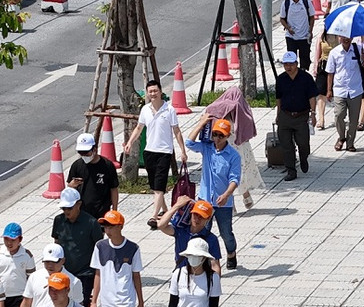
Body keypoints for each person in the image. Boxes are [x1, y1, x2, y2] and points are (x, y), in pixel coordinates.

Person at [123, 80, 187, 228]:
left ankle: (154, 216)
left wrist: (182, 151)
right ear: (147, 93)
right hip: (149, 152)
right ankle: (165, 211)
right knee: (155, 187)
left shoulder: (169, 110)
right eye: (150, 91)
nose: (153, 94)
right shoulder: (145, 109)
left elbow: (176, 131)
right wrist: (130, 143)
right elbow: (139, 128)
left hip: (164, 152)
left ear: (160, 92)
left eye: (155, 91)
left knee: (159, 188)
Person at [185, 116, 242, 270]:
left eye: (221, 135)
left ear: (228, 136)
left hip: (223, 201)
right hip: (205, 200)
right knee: (202, 230)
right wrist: (201, 123)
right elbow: (189, 143)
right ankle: (202, 258)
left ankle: (231, 253)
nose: (217, 138)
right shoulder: (207, 148)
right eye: (215, 134)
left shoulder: (233, 156)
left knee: (226, 233)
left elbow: (235, 179)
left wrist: (226, 195)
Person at [203, 86, 263, 210]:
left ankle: (236, 202)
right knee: (237, 174)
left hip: (227, 149)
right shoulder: (241, 112)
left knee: (229, 175)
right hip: (239, 148)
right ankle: (242, 199)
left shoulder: (221, 112)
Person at [52, 187, 104, 306]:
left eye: (69, 208)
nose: (66, 211)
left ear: (79, 204)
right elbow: (57, 243)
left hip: (85, 274)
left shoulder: (91, 223)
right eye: (64, 208)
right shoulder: (59, 220)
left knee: (81, 306)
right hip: (64, 271)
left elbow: (99, 249)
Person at [274, 51, 318, 180]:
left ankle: (304, 158)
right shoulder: (281, 79)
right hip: (285, 115)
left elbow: (312, 97)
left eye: (291, 64)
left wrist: (313, 113)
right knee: (286, 145)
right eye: (286, 64)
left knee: (303, 143)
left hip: (301, 116)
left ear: (296, 64)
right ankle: (291, 170)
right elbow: (279, 98)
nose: (288, 67)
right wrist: (278, 114)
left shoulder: (306, 78)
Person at [325, 35, 364, 153]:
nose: (346, 39)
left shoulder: (359, 49)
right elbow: (330, 72)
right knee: (339, 115)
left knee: (354, 120)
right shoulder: (334, 52)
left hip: (355, 90)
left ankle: (350, 143)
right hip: (340, 90)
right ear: (339, 38)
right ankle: (341, 137)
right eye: (343, 37)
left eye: (348, 37)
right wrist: (329, 90)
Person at [158, 196, 222, 266]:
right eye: (195, 215)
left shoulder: (211, 239)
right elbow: (161, 225)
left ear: (208, 218)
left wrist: (215, 276)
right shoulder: (180, 230)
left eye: (201, 217)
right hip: (182, 273)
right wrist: (177, 206)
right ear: (191, 213)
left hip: (200, 275)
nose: (197, 219)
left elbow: (215, 264)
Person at [67, 134, 118, 221]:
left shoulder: (107, 166)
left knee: (98, 234)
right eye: (80, 152)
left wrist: (114, 210)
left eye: (86, 153)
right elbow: (70, 189)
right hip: (81, 211)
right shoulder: (77, 165)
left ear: (94, 149)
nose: (84, 155)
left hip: (101, 211)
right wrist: (71, 186)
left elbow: (113, 189)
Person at [280, 0, 316, 70]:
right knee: (292, 59)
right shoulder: (286, 4)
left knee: (305, 60)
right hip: (291, 37)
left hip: (304, 36)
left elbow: (312, 17)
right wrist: (288, 28)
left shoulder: (306, 2)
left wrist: (310, 31)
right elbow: (282, 19)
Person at [311, 21, 337, 129]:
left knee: (336, 92)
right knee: (321, 92)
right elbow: (317, 52)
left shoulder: (338, 35)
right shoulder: (321, 35)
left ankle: (338, 117)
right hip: (324, 64)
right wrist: (315, 66)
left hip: (336, 66)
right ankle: (321, 119)